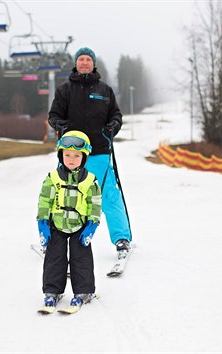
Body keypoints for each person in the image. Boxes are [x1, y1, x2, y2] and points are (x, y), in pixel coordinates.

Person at [48, 47, 132, 256]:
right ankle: (53, 238)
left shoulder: (105, 91)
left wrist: (112, 126)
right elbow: (53, 115)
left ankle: (121, 238)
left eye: (88, 59)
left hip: (99, 151)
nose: (84, 62)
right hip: (71, 152)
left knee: (109, 195)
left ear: (93, 64)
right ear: (76, 63)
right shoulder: (64, 90)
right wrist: (61, 125)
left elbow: (116, 115)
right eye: (81, 59)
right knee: (64, 195)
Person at [36, 130, 102, 308]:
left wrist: (92, 224)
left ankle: (84, 291)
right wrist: (42, 222)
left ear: (84, 157)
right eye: (67, 155)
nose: (71, 159)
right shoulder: (53, 178)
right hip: (56, 225)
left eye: (76, 155)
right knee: (54, 259)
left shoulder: (90, 180)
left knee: (81, 259)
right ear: (60, 155)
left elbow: (95, 203)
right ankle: (52, 291)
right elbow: (44, 200)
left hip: (80, 227)